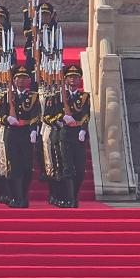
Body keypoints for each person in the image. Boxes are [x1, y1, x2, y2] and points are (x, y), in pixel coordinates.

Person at [1, 67, 40, 208]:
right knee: (14, 167)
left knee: (27, 167)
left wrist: (33, 130)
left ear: (29, 80)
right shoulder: (7, 96)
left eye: (24, 78)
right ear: (14, 80)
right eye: (18, 78)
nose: (21, 80)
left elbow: (36, 114)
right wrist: (7, 119)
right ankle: (16, 197)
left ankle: (23, 195)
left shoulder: (33, 96)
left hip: (26, 134)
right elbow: (0, 116)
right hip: (12, 134)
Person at [58, 65, 90, 207]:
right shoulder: (60, 96)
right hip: (65, 134)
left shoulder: (84, 97)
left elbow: (85, 114)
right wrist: (61, 119)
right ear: (65, 79)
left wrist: (83, 129)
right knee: (68, 168)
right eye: (70, 77)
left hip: (78, 135)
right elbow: (52, 113)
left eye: (76, 77)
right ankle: (70, 198)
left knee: (80, 170)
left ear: (80, 79)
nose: (73, 79)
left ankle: (74, 195)